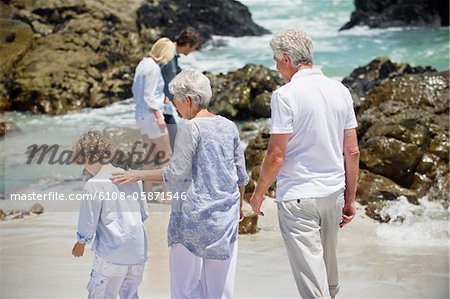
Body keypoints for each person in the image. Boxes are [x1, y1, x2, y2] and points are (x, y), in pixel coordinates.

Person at [111, 70, 248, 299]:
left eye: (176, 103)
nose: (175, 108)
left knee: (183, 289)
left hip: (191, 219)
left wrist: (137, 174)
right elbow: (241, 175)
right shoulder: (229, 126)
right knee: (220, 291)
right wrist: (239, 206)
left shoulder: (191, 128)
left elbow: (175, 174)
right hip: (225, 218)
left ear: (188, 100)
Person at [249, 29, 360, 299]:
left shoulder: (286, 95)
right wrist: (350, 198)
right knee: (329, 279)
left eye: (276, 61)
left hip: (299, 198)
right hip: (333, 194)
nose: (276, 68)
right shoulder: (340, 90)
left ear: (286, 59)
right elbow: (353, 151)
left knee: (312, 286)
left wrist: (258, 193)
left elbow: (276, 155)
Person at [71, 130, 149, 299]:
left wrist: (81, 241)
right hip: (138, 253)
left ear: (86, 158)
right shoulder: (131, 177)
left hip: (111, 255)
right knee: (130, 295)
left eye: (81, 163)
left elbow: (88, 221)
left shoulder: (93, 185)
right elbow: (143, 214)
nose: (84, 168)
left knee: (102, 294)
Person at [132, 37, 175, 193]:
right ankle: (166, 194)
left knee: (149, 156)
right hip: (152, 116)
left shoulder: (142, 64)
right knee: (167, 156)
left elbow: (137, 91)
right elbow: (149, 96)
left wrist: (160, 99)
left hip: (140, 115)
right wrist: (159, 115)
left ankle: (148, 194)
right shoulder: (154, 68)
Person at [161, 27, 202, 149]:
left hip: (162, 105)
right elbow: (160, 81)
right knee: (172, 140)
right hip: (158, 106)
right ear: (188, 44)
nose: (193, 51)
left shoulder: (172, 55)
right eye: (194, 47)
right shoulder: (167, 55)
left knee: (170, 141)